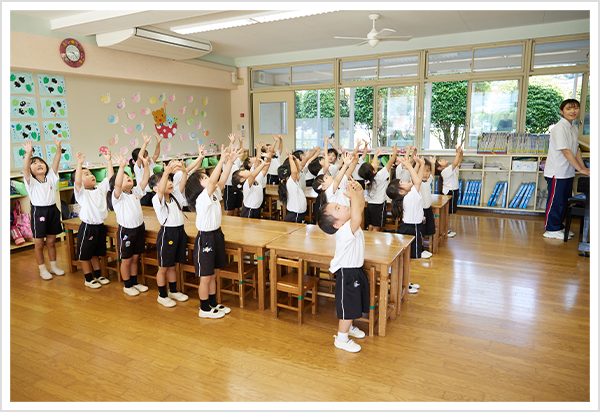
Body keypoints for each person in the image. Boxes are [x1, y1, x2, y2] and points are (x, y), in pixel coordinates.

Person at [185, 144, 242, 318]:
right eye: (204, 178)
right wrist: (222, 159)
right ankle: (204, 309)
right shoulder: (202, 198)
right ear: (197, 186)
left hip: (216, 235)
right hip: (206, 238)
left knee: (213, 274)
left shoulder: (213, 194)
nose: (209, 178)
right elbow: (213, 181)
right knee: (206, 276)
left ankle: (212, 303)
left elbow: (222, 180)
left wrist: (229, 162)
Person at [316, 180, 369, 353]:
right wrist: (353, 196)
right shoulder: (345, 230)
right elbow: (357, 216)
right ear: (336, 225)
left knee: (354, 303)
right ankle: (341, 339)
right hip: (348, 273)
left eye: (340, 205)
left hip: (356, 270)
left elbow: (359, 208)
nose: (343, 206)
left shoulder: (349, 224)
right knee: (348, 306)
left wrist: (359, 192)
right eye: (338, 208)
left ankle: (350, 327)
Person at [543, 99, 590, 239]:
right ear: (561, 112)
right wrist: (580, 169)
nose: (573, 111)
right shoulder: (560, 128)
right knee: (556, 202)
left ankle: (558, 227)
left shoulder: (573, 127)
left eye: (575, 108)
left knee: (564, 201)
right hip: (557, 172)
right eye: (568, 109)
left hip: (568, 172)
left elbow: (576, 150)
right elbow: (566, 151)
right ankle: (551, 229)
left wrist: (583, 168)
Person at [148, 160, 190, 307]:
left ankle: (173, 290)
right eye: (166, 181)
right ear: (155, 188)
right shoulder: (157, 199)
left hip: (179, 231)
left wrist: (184, 171)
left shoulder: (174, 196)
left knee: (173, 266)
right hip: (168, 234)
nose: (170, 183)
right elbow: (161, 191)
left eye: (170, 180)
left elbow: (182, 185)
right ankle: (162, 295)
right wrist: (166, 173)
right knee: (164, 267)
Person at [107, 153, 150, 297]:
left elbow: (145, 179)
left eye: (128, 175)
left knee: (135, 258)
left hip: (139, 229)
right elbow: (118, 184)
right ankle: (127, 285)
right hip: (126, 231)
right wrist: (121, 167)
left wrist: (146, 165)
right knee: (126, 260)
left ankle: (134, 282)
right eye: (124, 177)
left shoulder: (135, 192)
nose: (128, 177)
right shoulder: (118, 196)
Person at [22, 137, 65, 280]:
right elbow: (25, 168)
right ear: (30, 170)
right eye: (34, 163)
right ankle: (42, 269)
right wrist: (28, 153)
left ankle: (53, 267)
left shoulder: (51, 177)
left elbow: (56, 161)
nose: (39, 164)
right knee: (39, 243)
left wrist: (58, 147)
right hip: (39, 212)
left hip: (52, 210)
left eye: (41, 162)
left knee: (52, 242)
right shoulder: (30, 181)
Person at [73, 149, 113, 288]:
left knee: (97, 253)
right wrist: (79, 164)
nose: (91, 175)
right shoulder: (81, 193)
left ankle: (98, 275)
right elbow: (78, 182)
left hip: (100, 227)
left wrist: (109, 161)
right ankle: (88, 278)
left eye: (90, 173)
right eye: (86, 174)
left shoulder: (99, 189)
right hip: (88, 228)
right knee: (86, 255)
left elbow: (110, 179)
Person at [387, 152, 427, 271]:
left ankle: (403, 276)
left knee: (408, 256)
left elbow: (417, 180)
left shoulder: (408, 195)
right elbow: (417, 182)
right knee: (409, 257)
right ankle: (403, 276)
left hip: (411, 226)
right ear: (401, 192)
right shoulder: (409, 197)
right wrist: (410, 166)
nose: (404, 180)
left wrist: (421, 165)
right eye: (401, 182)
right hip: (411, 228)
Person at [358, 143, 398, 232]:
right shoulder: (380, 176)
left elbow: (374, 165)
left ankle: (368, 240)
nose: (373, 163)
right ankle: (373, 241)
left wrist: (376, 155)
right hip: (379, 205)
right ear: (373, 171)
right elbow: (389, 163)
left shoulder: (368, 179)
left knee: (370, 226)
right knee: (376, 228)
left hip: (370, 205)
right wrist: (394, 153)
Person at [232, 147, 272, 219]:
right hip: (249, 211)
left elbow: (264, 170)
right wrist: (262, 164)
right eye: (243, 171)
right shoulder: (246, 184)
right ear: (242, 179)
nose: (246, 170)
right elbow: (252, 175)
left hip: (257, 209)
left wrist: (268, 159)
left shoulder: (256, 180)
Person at [434, 144, 463, 238]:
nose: (443, 159)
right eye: (440, 161)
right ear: (439, 168)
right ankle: (443, 230)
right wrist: (457, 152)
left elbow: (458, 163)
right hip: (449, 193)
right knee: (446, 213)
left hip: (454, 191)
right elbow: (455, 164)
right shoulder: (445, 171)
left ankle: (444, 229)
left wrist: (461, 153)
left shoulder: (449, 169)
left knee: (448, 213)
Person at [130, 132, 162, 206]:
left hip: (153, 191)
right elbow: (140, 156)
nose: (148, 157)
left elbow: (156, 154)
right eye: (145, 156)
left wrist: (158, 143)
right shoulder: (138, 167)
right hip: (144, 193)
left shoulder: (150, 164)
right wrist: (145, 143)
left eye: (148, 155)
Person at [278, 149, 307, 223]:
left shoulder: (292, 182)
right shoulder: (290, 182)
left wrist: (295, 161)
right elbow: (294, 172)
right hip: (295, 213)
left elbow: (297, 170)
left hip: (297, 212)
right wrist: (290, 159)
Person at [418, 157, 437, 259]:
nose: (425, 174)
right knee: (421, 231)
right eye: (423, 171)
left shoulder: (427, 181)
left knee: (426, 230)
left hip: (428, 210)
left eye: (428, 171)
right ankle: (420, 250)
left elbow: (432, 175)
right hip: (421, 211)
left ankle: (422, 248)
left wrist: (433, 164)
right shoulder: (417, 183)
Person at [222, 133, 244, 216]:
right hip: (229, 187)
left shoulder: (237, 161)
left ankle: (236, 223)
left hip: (237, 186)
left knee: (236, 209)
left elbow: (241, 153)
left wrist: (240, 143)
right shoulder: (226, 162)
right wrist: (232, 142)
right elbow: (227, 153)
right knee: (230, 210)